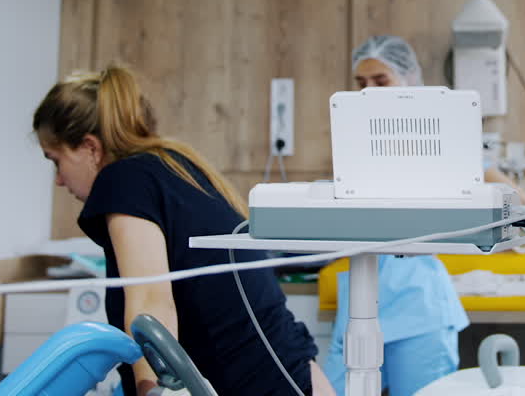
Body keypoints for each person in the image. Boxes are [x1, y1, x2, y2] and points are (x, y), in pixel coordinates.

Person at [34, 66, 333, 396]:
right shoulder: (174, 165)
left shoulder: (123, 180)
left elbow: (151, 306)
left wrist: (151, 391)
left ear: (90, 148)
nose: (59, 180)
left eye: (55, 160)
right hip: (296, 375)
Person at [323, 35, 474, 396]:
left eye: (380, 80)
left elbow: (511, 196)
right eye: (361, 83)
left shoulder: (442, 141)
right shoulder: (353, 146)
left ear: (409, 80)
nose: (369, 91)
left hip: (418, 305)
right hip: (361, 299)